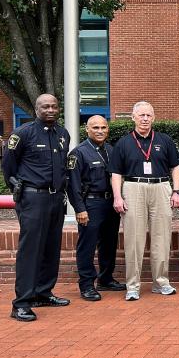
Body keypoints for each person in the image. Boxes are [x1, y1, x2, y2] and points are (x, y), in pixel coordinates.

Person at [2, 94, 71, 321]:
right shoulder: (22, 134)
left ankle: (43, 292)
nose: (50, 110)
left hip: (55, 199)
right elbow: (9, 167)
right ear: (36, 109)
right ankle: (21, 303)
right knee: (30, 250)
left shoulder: (63, 134)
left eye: (54, 106)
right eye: (45, 107)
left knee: (51, 248)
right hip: (33, 198)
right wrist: (17, 188)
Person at [110, 101, 179, 301]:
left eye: (148, 115)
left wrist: (176, 191)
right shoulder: (124, 143)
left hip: (161, 188)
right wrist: (118, 196)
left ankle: (161, 282)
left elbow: (175, 167)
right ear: (133, 117)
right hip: (133, 188)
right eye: (141, 115)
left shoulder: (164, 140)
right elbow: (116, 173)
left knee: (162, 237)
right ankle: (132, 286)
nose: (145, 119)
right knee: (134, 238)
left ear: (153, 117)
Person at [67, 115, 126, 302]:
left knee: (109, 243)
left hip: (110, 204)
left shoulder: (111, 150)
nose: (100, 131)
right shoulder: (78, 153)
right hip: (90, 204)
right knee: (87, 245)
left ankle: (106, 279)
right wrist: (79, 209)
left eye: (103, 127)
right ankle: (86, 285)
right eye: (95, 128)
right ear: (87, 129)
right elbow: (72, 185)